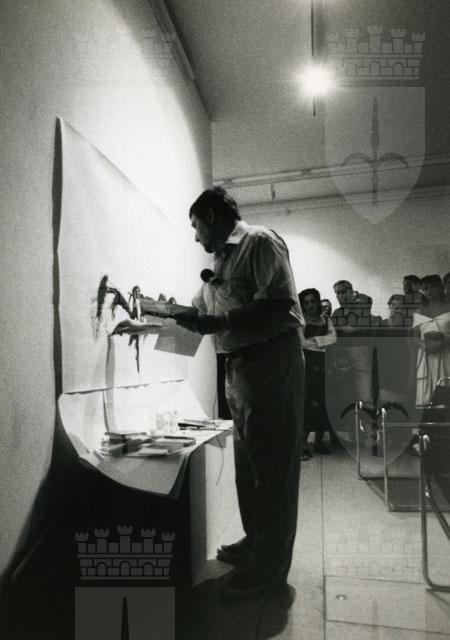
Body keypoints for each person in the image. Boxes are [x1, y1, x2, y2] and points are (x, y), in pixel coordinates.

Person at [174, 187, 305, 598]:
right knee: (248, 466)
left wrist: (220, 322)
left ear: (211, 216)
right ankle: (256, 541)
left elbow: (280, 304)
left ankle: (269, 568)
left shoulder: (259, 242)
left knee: (273, 468)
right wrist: (154, 313)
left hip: (271, 360)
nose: (196, 236)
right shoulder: (221, 260)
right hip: (238, 367)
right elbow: (199, 311)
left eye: (196, 226)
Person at [299, 288, 336, 457]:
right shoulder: (301, 322)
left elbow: (334, 338)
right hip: (308, 366)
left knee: (324, 403)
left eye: (313, 301)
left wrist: (314, 340)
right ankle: (303, 445)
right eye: (306, 302)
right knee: (308, 404)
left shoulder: (327, 321)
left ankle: (320, 442)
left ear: (318, 302)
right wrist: (322, 344)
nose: (310, 305)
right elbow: (302, 343)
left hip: (326, 367)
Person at [413, 275, 450, 406]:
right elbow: (415, 337)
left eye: (433, 287)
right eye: (426, 289)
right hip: (425, 357)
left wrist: (443, 342)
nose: (429, 291)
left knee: (444, 396)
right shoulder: (420, 311)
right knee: (426, 398)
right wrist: (425, 346)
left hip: (446, 356)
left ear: (441, 286)